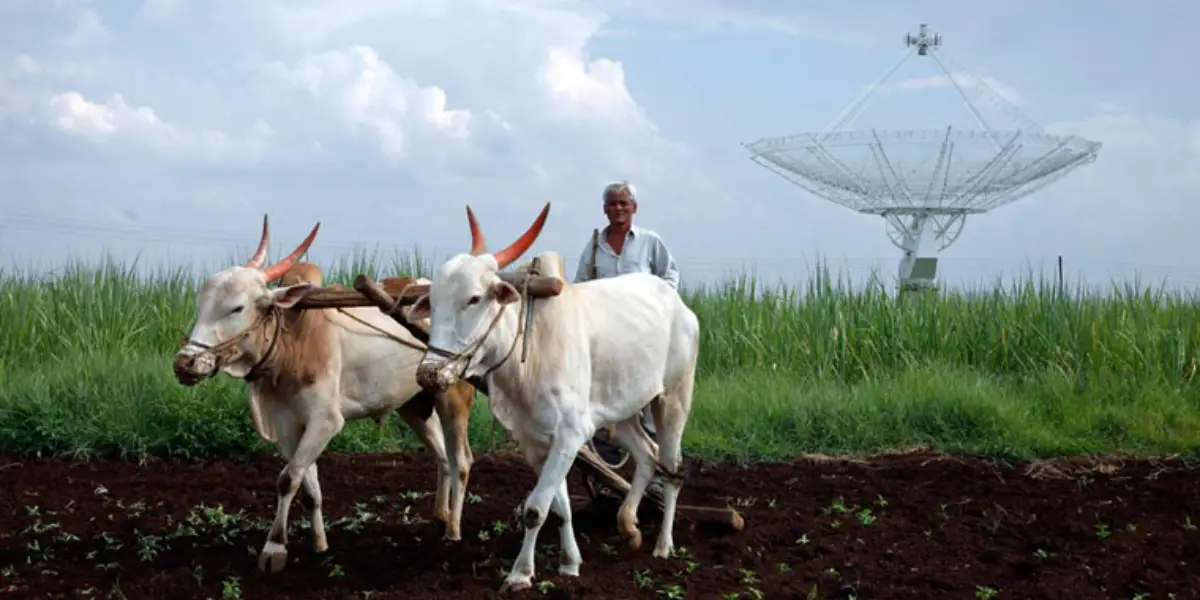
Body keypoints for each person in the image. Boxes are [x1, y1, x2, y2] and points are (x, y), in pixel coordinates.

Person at [574, 180, 680, 468]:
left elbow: (670, 276)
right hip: (605, 335)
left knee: (647, 393)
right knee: (603, 391)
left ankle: (654, 458)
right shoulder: (595, 246)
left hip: (642, 334)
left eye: (624, 203)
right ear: (604, 209)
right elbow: (581, 285)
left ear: (634, 208)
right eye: (613, 204)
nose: (618, 208)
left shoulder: (649, 242)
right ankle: (607, 455)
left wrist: (659, 309)